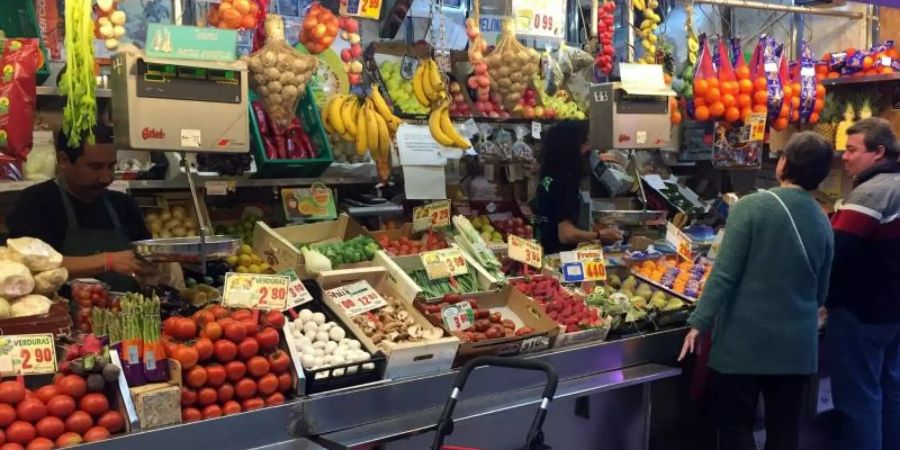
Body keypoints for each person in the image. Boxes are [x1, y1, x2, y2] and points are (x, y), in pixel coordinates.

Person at [679, 131, 835, 450]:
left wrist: (699, 322)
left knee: (736, 427)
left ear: (783, 164)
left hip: (744, 347)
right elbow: (821, 292)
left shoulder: (750, 207)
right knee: (784, 430)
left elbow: (724, 274)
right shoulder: (824, 220)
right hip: (797, 349)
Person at [826, 117, 900, 450]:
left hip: (862, 313)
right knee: (891, 393)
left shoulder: (871, 193)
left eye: (853, 150)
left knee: (859, 402)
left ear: (879, 152)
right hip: (893, 312)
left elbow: (836, 250)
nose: (845, 156)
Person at [7, 125, 151, 291]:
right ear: (64, 161)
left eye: (111, 166)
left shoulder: (124, 205)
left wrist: (153, 267)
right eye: (95, 167)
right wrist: (106, 261)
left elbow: (143, 260)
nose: (106, 178)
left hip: (127, 313)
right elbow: (24, 265)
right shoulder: (35, 202)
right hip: (62, 314)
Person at [533, 121, 622, 254]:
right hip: (559, 258)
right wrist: (600, 235)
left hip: (542, 252)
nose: (588, 149)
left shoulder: (549, 173)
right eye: (585, 143)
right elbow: (566, 235)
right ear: (571, 147)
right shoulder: (565, 181)